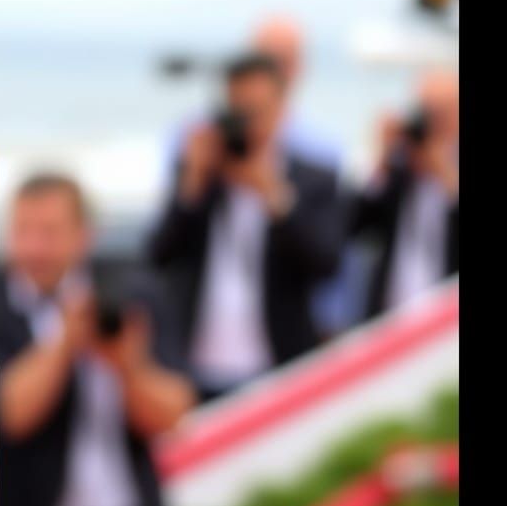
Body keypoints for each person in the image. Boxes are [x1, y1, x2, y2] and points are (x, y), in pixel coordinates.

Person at [0, 173, 193, 506]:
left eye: (49, 233)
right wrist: (65, 341)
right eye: (23, 231)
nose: (33, 248)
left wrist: (127, 365)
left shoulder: (134, 295)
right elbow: (11, 417)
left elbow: (173, 415)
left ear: (84, 236)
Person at [146, 53, 345, 404]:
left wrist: (275, 198)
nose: (247, 125)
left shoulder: (312, 178)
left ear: (282, 109)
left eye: (257, 112)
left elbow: (326, 264)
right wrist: (192, 185)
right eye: (238, 112)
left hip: (278, 365)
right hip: (195, 368)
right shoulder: (201, 174)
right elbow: (158, 254)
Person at [350, 67, 459, 319]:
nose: (431, 125)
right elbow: (356, 226)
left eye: (440, 114)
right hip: (392, 313)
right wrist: (382, 160)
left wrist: (446, 176)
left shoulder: (451, 176)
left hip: (447, 323)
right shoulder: (399, 171)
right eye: (425, 112)